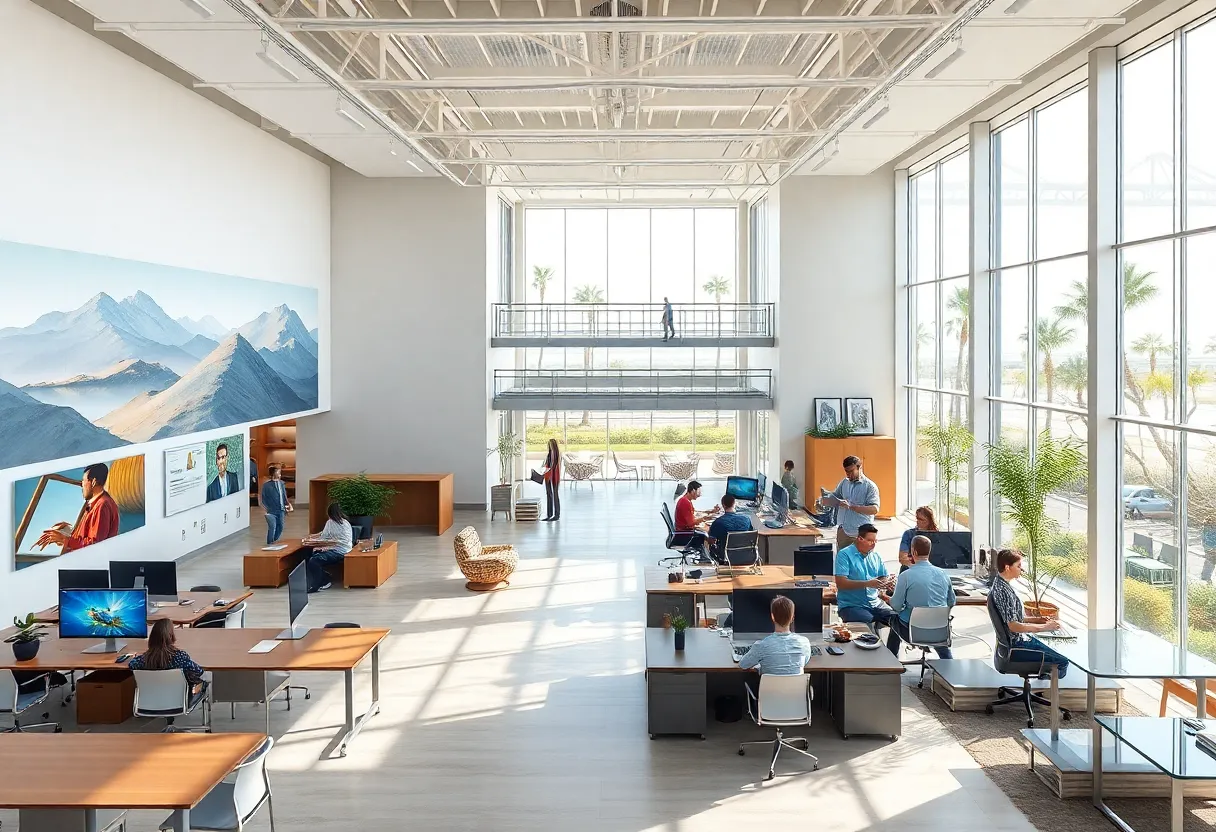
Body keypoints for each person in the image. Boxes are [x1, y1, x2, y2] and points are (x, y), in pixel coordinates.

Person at [988, 549, 1069, 678]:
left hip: (1012, 644)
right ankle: (1046, 691)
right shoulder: (1003, 591)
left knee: (1054, 650)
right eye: (1019, 566)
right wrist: (1046, 627)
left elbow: (1014, 619)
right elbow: (1014, 626)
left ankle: (1041, 688)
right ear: (1007, 567)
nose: (1022, 570)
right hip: (1017, 646)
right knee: (1062, 661)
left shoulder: (1001, 585)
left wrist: (1038, 620)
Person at [886, 535, 955, 657]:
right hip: (938, 630)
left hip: (912, 631)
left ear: (913, 551)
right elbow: (951, 602)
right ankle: (948, 663)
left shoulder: (906, 575)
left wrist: (885, 597)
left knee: (893, 619)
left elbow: (896, 606)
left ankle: (891, 662)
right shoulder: (944, 574)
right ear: (929, 551)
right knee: (939, 636)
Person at [738, 595, 813, 697]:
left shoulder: (761, 646)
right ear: (792, 617)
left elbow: (743, 665)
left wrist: (761, 665)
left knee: (750, 679)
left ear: (772, 617)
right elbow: (804, 662)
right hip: (796, 705)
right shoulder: (804, 642)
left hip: (768, 704)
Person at [35, 463, 120, 552]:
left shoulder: (102, 505)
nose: (81, 485)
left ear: (93, 482)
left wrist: (65, 540)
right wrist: (68, 530)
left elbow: (95, 545)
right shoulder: (97, 502)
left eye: (83, 481)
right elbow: (89, 535)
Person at [128, 618, 207, 709]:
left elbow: (131, 664)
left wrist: (136, 657)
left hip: (149, 703)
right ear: (171, 636)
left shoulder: (143, 660)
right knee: (203, 681)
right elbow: (199, 672)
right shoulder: (180, 657)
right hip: (179, 702)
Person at [834, 523, 897, 632]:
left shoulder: (875, 556)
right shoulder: (844, 555)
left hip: (875, 603)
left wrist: (887, 582)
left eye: (875, 541)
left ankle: (892, 649)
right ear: (859, 539)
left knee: (897, 621)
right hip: (852, 605)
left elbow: (883, 576)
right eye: (870, 541)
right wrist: (867, 583)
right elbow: (841, 583)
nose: (873, 544)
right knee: (868, 626)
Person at [822, 455, 880, 550]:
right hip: (844, 532)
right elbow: (835, 497)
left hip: (861, 535)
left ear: (859, 468)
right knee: (842, 562)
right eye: (846, 471)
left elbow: (874, 509)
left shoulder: (870, 487)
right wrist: (826, 499)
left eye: (851, 471)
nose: (848, 474)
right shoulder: (844, 482)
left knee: (861, 563)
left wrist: (851, 507)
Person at [304, 502, 354, 592]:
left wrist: (311, 542)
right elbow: (325, 535)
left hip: (339, 551)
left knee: (313, 561)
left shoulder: (337, 524)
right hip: (339, 548)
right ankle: (324, 577)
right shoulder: (337, 522)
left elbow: (327, 539)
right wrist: (312, 538)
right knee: (310, 555)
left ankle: (320, 583)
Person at [674, 480, 718, 556]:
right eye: (699, 492)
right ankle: (705, 557)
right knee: (709, 532)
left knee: (707, 529)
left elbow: (695, 513)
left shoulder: (686, 500)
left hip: (682, 529)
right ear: (693, 491)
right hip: (685, 534)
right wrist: (704, 519)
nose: (700, 495)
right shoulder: (685, 503)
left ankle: (706, 556)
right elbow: (691, 523)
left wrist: (711, 512)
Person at [707, 493, 753, 564]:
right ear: (735, 504)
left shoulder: (718, 522)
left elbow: (711, 541)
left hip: (726, 556)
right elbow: (750, 535)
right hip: (745, 555)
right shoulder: (746, 519)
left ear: (723, 505)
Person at [898, 506, 940, 573]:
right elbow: (902, 558)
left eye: (921, 519)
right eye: (917, 518)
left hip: (932, 568)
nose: (918, 521)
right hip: (911, 568)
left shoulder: (937, 536)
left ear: (929, 521)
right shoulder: (908, 534)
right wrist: (917, 569)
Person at [259, 464, 292, 545]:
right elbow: (263, 498)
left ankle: (274, 540)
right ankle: (269, 543)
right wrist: (266, 509)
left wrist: (288, 505)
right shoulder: (266, 486)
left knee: (280, 527)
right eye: (278, 472)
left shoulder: (282, 484)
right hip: (271, 511)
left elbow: (284, 496)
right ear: (273, 474)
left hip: (281, 510)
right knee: (272, 527)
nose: (280, 474)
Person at [542, 438, 562, 521]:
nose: (549, 446)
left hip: (554, 477)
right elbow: (547, 464)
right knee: (549, 494)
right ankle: (549, 514)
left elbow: (555, 466)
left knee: (555, 494)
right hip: (548, 476)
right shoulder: (549, 454)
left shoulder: (557, 454)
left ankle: (556, 515)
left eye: (550, 444)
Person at [1203, 515, 1216, 584]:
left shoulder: (1206, 529)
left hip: (1209, 549)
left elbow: (1204, 540)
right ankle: (1207, 580)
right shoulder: (1208, 529)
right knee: (1209, 564)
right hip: (1211, 549)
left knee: (1209, 564)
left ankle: (1207, 580)